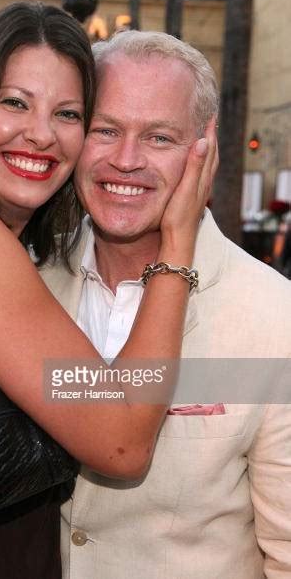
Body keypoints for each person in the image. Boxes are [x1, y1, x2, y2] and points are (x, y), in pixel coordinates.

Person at [0, 3, 215, 579]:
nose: (41, 133)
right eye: (14, 102)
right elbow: (122, 441)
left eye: (70, 114)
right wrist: (178, 245)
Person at [39, 31, 291, 578]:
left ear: (205, 146)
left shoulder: (275, 316)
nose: (125, 161)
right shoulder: (26, 280)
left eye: (158, 137)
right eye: (106, 129)